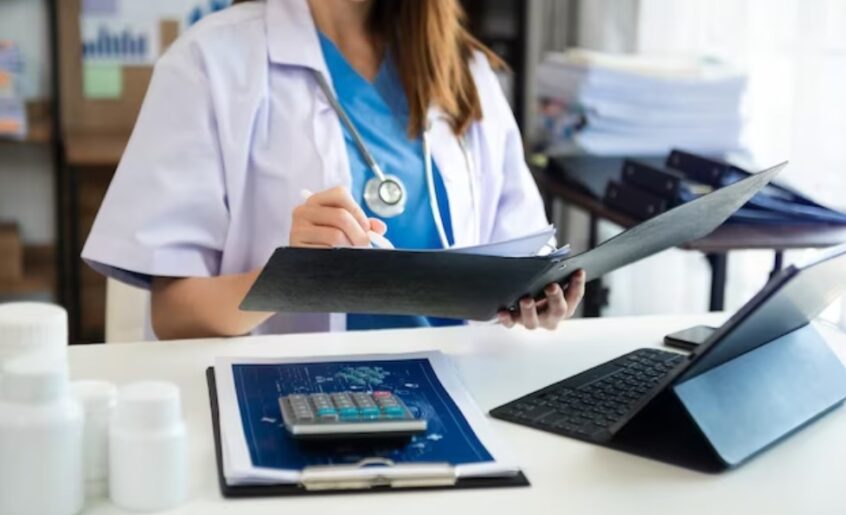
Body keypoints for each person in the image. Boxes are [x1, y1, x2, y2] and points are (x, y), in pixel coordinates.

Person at [82, 0, 586, 340]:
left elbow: (525, 254)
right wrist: (290, 276)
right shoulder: (210, 62)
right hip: (289, 400)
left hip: (459, 391)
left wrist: (539, 299)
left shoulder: (465, 72)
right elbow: (174, 315)